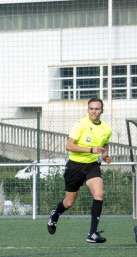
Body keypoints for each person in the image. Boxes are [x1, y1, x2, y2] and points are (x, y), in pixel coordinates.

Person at [47, 98, 112, 243]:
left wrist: (106, 155)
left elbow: (105, 143)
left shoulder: (107, 128)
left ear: (102, 110)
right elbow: (69, 146)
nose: (94, 111)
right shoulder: (80, 124)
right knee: (69, 202)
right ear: (88, 110)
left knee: (99, 194)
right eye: (91, 109)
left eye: (97, 109)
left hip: (91, 166)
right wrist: (90, 149)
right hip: (74, 166)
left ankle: (92, 234)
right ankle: (55, 214)